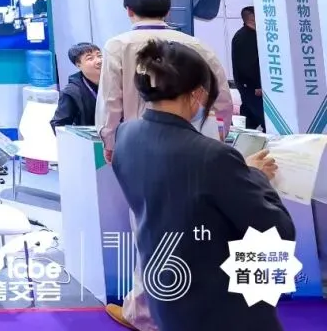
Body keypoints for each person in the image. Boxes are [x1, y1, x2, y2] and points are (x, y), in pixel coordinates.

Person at [112, 40, 293, 331]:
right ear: (197, 93)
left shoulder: (126, 134)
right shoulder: (212, 155)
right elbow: (276, 228)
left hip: (166, 291)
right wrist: (255, 177)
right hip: (220, 302)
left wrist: (238, 175)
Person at [96, 0, 233, 330]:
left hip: (142, 144)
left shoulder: (119, 45)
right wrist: (219, 135)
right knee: (198, 226)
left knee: (149, 227)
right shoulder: (194, 44)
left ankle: (143, 313)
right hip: (195, 143)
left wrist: (109, 140)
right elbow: (223, 99)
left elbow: (110, 101)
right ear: (169, 11)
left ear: (129, 11)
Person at [51, 42, 102, 130]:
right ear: (78, 65)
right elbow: (59, 126)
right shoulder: (71, 93)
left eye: (100, 56)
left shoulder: (116, 82)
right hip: (88, 137)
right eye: (90, 58)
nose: (99, 61)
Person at [231, 6, 264, 131]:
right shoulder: (244, 37)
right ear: (252, 18)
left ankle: (241, 138)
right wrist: (257, 86)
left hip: (250, 87)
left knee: (249, 121)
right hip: (252, 88)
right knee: (265, 120)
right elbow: (247, 65)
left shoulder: (252, 35)